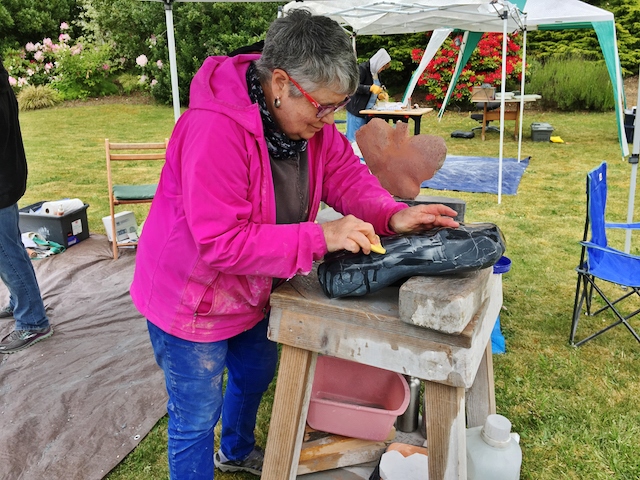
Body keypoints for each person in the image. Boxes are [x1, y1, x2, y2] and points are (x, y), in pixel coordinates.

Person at [130, 9, 458, 479]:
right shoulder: (214, 129)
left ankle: (237, 449)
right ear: (279, 82)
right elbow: (221, 243)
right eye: (322, 107)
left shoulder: (307, 125)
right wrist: (322, 236)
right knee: (196, 415)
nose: (328, 121)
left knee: (254, 375)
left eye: (337, 108)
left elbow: (345, 175)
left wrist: (392, 212)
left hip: (253, 287)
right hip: (192, 299)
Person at [0, 59, 53, 354]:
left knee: (6, 252)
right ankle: (22, 303)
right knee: (10, 248)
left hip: (2, 184)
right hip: (6, 180)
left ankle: (32, 321)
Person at [345, 48, 391, 142]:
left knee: (366, 142)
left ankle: (363, 157)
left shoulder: (377, 73)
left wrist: (379, 95)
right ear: (379, 62)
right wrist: (369, 88)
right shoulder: (362, 69)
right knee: (354, 141)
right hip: (357, 110)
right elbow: (353, 87)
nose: (382, 70)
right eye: (382, 67)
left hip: (369, 111)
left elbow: (377, 88)